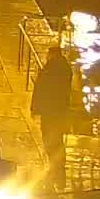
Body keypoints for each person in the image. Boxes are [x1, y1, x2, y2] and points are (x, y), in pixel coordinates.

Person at [31, 43, 75, 178]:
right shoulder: (66, 69)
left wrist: (35, 108)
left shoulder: (50, 69)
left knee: (50, 138)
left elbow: (41, 89)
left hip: (49, 111)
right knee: (57, 139)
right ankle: (58, 166)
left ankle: (55, 166)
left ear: (52, 54)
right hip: (60, 111)